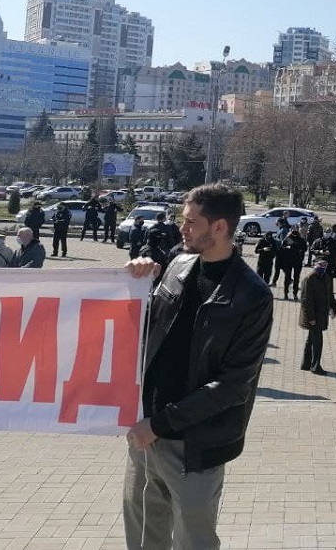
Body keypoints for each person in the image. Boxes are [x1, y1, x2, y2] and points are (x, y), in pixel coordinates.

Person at [122, 183, 274, 550]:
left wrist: (158, 424)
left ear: (219, 227)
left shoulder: (251, 295)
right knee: (143, 536)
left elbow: (233, 385)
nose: (182, 228)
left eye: (191, 222)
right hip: (146, 435)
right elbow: (143, 331)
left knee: (194, 540)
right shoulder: (177, 265)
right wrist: (135, 282)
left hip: (196, 446)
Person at [299, 251, 336, 375]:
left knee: (311, 339)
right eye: (320, 264)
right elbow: (305, 300)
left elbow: (330, 294)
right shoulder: (309, 279)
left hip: (322, 315)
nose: (323, 267)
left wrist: (333, 308)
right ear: (315, 265)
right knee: (317, 341)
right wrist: (311, 318)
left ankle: (306, 364)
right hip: (313, 316)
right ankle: (315, 366)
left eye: (325, 264)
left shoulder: (327, 278)